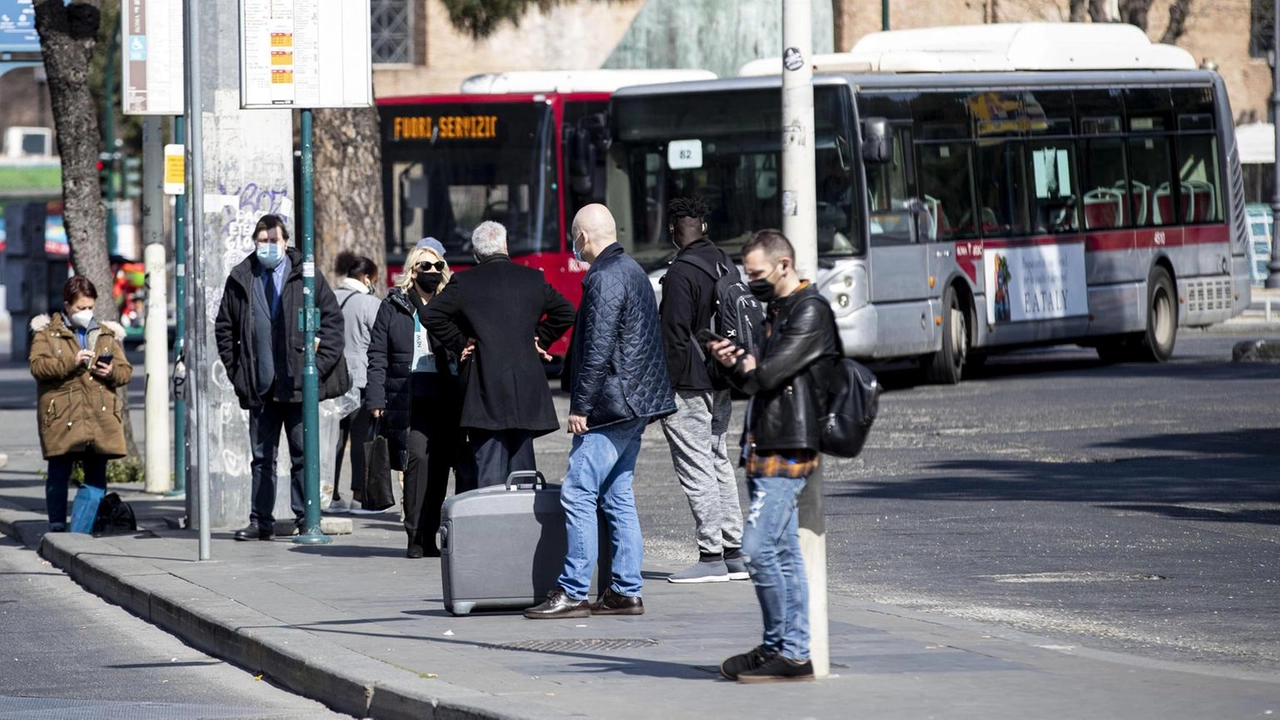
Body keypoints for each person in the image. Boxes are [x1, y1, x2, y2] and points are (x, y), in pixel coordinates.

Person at [524, 204, 675, 619]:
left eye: (575, 238)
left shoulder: (603, 277)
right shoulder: (632, 271)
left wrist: (581, 407)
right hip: (636, 400)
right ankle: (625, 590)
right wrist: (560, 364)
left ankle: (573, 591)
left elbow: (600, 346)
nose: (575, 246)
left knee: (578, 491)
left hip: (611, 404)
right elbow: (622, 340)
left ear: (583, 238)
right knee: (617, 494)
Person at [709, 229, 840, 683]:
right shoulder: (778, 310)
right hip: (765, 443)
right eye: (747, 274)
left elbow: (768, 374)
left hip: (788, 447)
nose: (751, 282)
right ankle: (786, 649)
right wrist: (732, 362)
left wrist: (748, 365)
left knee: (757, 550)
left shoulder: (810, 311)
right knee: (781, 553)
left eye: (758, 273)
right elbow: (754, 382)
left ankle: (788, 649)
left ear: (784, 265)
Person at [214, 214, 347, 541]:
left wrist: (319, 367)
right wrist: (239, 375)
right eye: (262, 241)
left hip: (299, 386)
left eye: (274, 241)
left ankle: (305, 518)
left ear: (286, 242)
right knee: (261, 459)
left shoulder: (307, 276)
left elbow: (332, 324)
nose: (268, 247)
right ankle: (260, 521)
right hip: (261, 387)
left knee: (303, 456)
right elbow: (224, 329)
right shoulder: (242, 277)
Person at [423, 221, 575, 489]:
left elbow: (431, 314)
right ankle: (523, 527)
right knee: (524, 472)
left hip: (484, 388)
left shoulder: (464, 282)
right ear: (506, 246)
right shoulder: (532, 279)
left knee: (489, 474)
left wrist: (460, 342)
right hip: (526, 389)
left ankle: (492, 529)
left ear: (476, 253)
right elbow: (566, 312)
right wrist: (540, 338)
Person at [658, 196, 749, 584]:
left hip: (690, 384)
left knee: (696, 464)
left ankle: (710, 555)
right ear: (704, 227)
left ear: (673, 230)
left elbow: (674, 336)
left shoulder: (681, 272)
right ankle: (734, 552)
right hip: (722, 378)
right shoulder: (724, 262)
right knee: (717, 459)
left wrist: (668, 388)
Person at [365, 239, 469, 558]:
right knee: (418, 461)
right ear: (412, 270)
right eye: (426, 266)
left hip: (446, 393)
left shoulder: (451, 304)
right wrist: (375, 398)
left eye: (438, 266)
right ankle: (413, 533)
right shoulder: (394, 305)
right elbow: (377, 354)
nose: (433, 272)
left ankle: (430, 534)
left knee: (439, 466)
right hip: (409, 395)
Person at [30, 276, 134, 532]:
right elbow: (37, 366)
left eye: (90, 307)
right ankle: (56, 525)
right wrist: (72, 362)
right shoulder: (47, 334)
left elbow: (125, 371)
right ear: (67, 306)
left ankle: (80, 529)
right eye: (80, 308)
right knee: (59, 471)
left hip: (98, 415)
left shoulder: (105, 333)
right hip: (63, 414)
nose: (86, 313)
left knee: (96, 474)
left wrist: (109, 371)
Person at [330, 253, 381, 513]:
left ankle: (330, 493)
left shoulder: (330, 297)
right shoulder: (368, 303)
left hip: (331, 380)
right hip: (359, 380)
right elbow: (381, 339)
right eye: (374, 279)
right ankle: (359, 496)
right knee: (361, 439)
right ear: (365, 278)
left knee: (334, 441)